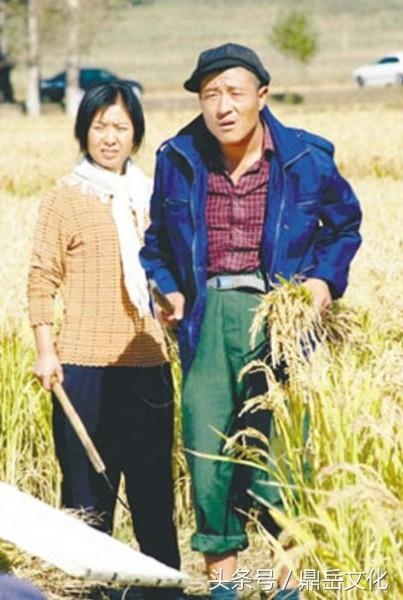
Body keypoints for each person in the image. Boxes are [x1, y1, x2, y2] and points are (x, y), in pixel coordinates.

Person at [140, 42, 362, 600]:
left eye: (234, 92)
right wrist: (168, 289)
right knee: (208, 457)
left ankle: (286, 590)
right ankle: (225, 591)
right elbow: (155, 245)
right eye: (210, 94)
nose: (223, 106)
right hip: (208, 321)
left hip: (280, 321)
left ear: (262, 96)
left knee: (282, 459)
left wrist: (321, 282)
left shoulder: (306, 158)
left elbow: (344, 227)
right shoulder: (178, 158)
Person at [27, 82, 180, 600]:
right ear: (83, 131)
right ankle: (90, 591)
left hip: (147, 361)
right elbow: (41, 277)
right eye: (99, 127)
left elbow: (173, 270)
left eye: (120, 127)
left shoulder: (152, 198)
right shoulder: (65, 198)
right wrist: (45, 350)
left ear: (135, 134)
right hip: (83, 367)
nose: (109, 138)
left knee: (153, 490)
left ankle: (163, 590)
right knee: (88, 494)